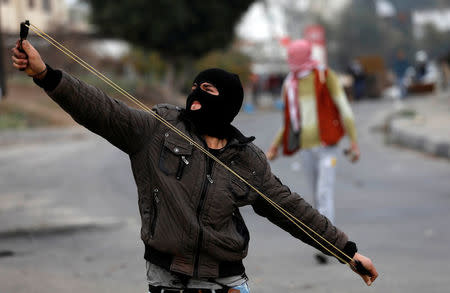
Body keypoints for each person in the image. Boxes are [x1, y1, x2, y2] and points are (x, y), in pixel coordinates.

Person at [12, 40, 377, 293]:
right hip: (168, 278)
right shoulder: (156, 130)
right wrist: (46, 75)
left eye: (208, 90)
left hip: (227, 279)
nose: (196, 96)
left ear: (229, 104)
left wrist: (346, 251)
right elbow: (101, 109)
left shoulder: (245, 160)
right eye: (194, 87)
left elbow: (291, 209)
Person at [266, 40, 360, 264]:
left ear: (303, 55)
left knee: (324, 192)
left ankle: (327, 243)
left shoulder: (324, 76)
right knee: (316, 194)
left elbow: (344, 108)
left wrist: (353, 142)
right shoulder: (290, 84)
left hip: (328, 146)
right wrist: (275, 145)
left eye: (293, 56)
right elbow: (289, 122)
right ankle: (325, 237)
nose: (291, 61)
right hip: (306, 148)